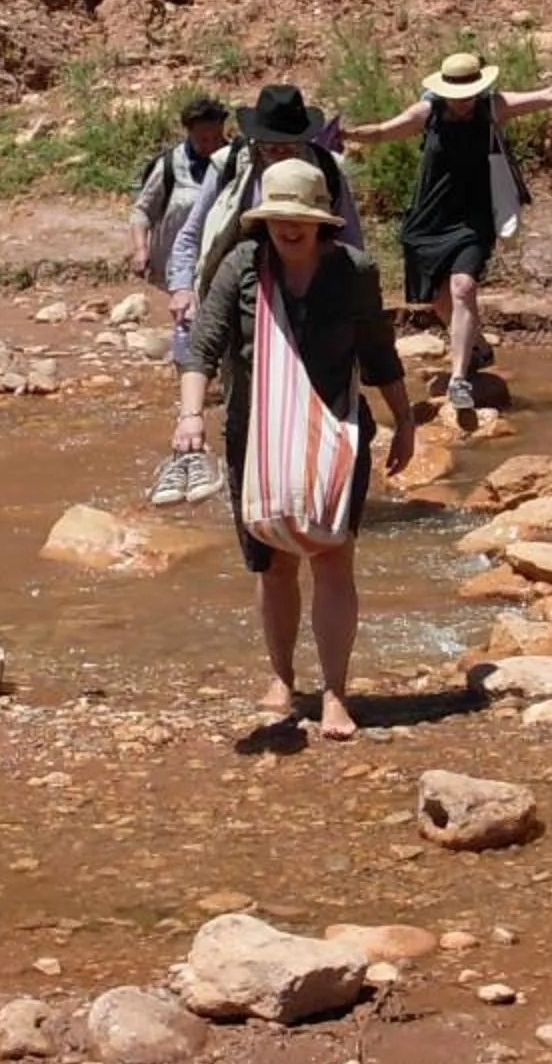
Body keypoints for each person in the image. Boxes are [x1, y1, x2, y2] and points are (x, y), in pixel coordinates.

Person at [173, 158, 414, 742]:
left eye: (299, 218)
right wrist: (189, 417)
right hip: (255, 434)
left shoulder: (354, 271)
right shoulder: (243, 267)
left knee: (333, 557)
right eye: (278, 216)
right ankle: (282, 677)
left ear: (321, 223)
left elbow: (376, 351)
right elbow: (203, 345)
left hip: (335, 430)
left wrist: (404, 420)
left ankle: (334, 693)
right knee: (275, 561)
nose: (287, 227)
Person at [339, 47, 552, 420]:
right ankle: (479, 349)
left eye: (468, 93)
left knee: (463, 287)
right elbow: (384, 131)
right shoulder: (429, 112)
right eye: (456, 95)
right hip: (428, 218)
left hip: (474, 218)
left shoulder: (492, 107)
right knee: (437, 297)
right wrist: (347, 133)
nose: (463, 102)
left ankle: (458, 378)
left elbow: (549, 96)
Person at [165, 81, 362, 340]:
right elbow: (191, 235)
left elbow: (350, 239)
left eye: (289, 147)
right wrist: (182, 287)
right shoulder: (229, 165)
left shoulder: (325, 169)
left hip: (309, 294)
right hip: (239, 293)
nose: (280, 154)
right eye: (271, 147)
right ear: (256, 139)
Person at [129, 95, 231, 367]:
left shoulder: (233, 163)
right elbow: (142, 210)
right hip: (180, 258)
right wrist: (141, 249)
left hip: (221, 256)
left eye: (215, 138)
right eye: (202, 139)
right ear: (189, 132)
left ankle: (218, 373)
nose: (210, 146)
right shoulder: (170, 165)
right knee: (186, 315)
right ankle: (190, 375)